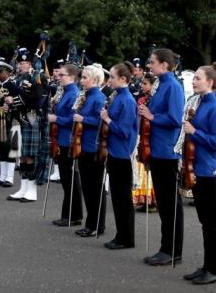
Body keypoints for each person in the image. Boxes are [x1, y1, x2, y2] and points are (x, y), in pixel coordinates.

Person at [181, 66, 216, 286]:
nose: (194, 81)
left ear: (210, 82)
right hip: (198, 169)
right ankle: (207, 265)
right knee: (205, 222)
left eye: (198, 78)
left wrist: (194, 132)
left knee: (212, 222)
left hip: (210, 170)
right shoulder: (198, 103)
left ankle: (214, 268)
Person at [139, 48, 185, 267]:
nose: (150, 66)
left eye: (153, 62)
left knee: (169, 204)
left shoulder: (173, 86)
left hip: (166, 150)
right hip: (156, 148)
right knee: (165, 203)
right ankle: (166, 248)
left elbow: (175, 119)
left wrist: (151, 115)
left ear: (165, 64)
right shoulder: (161, 84)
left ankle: (172, 250)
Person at [100, 62, 138, 249]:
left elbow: (124, 131)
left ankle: (126, 238)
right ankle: (121, 235)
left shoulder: (127, 100)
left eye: (113, 77)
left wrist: (107, 119)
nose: (110, 81)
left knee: (122, 198)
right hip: (115, 152)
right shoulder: (119, 97)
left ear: (123, 79)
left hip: (121, 153)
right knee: (117, 197)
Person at [6, 49, 48, 203]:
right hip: (18, 120)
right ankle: (23, 188)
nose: (22, 65)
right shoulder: (17, 79)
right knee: (22, 155)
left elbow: (38, 99)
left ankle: (32, 190)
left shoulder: (37, 77)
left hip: (31, 119)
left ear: (30, 63)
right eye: (20, 63)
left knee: (30, 155)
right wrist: (9, 105)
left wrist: (15, 100)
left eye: (25, 63)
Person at [73, 64, 107, 236]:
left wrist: (82, 118)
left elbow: (101, 122)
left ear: (94, 80)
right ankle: (90, 223)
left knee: (94, 188)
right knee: (87, 187)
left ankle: (96, 225)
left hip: (92, 146)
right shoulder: (85, 96)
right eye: (82, 77)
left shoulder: (99, 97)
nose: (82, 80)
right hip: (83, 145)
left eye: (85, 77)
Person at [50, 62, 82, 226]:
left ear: (71, 77)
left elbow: (73, 118)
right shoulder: (64, 92)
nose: (58, 77)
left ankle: (73, 215)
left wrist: (57, 119)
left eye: (62, 75)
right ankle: (69, 214)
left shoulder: (74, 93)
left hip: (67, 140)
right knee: (66, 179)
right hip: (60, 138)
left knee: (70, 179)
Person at [0, 59, 18, 188]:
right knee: (1, 149)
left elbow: (19, 103)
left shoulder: (12, 86)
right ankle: (2, 177)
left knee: (8, 149)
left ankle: (9, 178)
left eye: (0, 72)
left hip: (8, 121)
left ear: (7, 73)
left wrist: (10, 107)